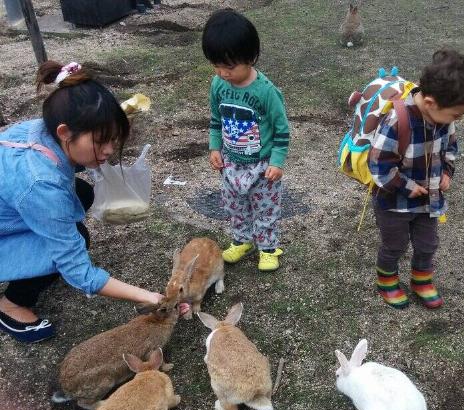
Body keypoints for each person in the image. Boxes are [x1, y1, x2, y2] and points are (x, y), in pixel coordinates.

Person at [0, 61, 181, 343]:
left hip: (16, 205)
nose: (109, 151)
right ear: (64, 132)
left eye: (113, 139)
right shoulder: (41, 184)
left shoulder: (41, 130)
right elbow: (81, 274)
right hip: (24, 205)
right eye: (101, 141)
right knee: (75, 240)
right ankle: (10, 304)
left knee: (82, 194)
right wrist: (148, 296)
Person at [368, 49, 464, 309]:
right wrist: (406, 186)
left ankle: (422, 279)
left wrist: (446, 172)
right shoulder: (397, 121)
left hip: (429, 200)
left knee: (428, 243)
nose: (459, 119)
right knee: (395, 244)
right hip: (394, 202)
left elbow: (450, 150)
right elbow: (377, 166)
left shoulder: (444, 119)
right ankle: (386, 279)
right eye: (456, 114)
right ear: (430, 103)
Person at [202, 9, 291, 272]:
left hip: (262, 166)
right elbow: (216, 120)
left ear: (251, 57)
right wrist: (215, 146)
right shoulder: (218, 85)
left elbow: (281, 130)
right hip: (231, 162)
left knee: (264, 208)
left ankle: (267, 247)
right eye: (216, 65)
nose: (223, 72)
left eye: (229, 66)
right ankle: (242, 240)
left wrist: (277, 161)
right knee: (235, 205)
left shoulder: (266, 92)